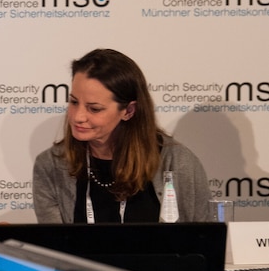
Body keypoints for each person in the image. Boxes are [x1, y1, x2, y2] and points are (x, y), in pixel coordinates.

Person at [33, 48, 211, 223]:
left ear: (128, 111)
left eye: (94, 109)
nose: (77, 116)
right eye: (74, 102)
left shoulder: (178, 162)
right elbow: (54, 248)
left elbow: (203, 243)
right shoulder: (50, 165)